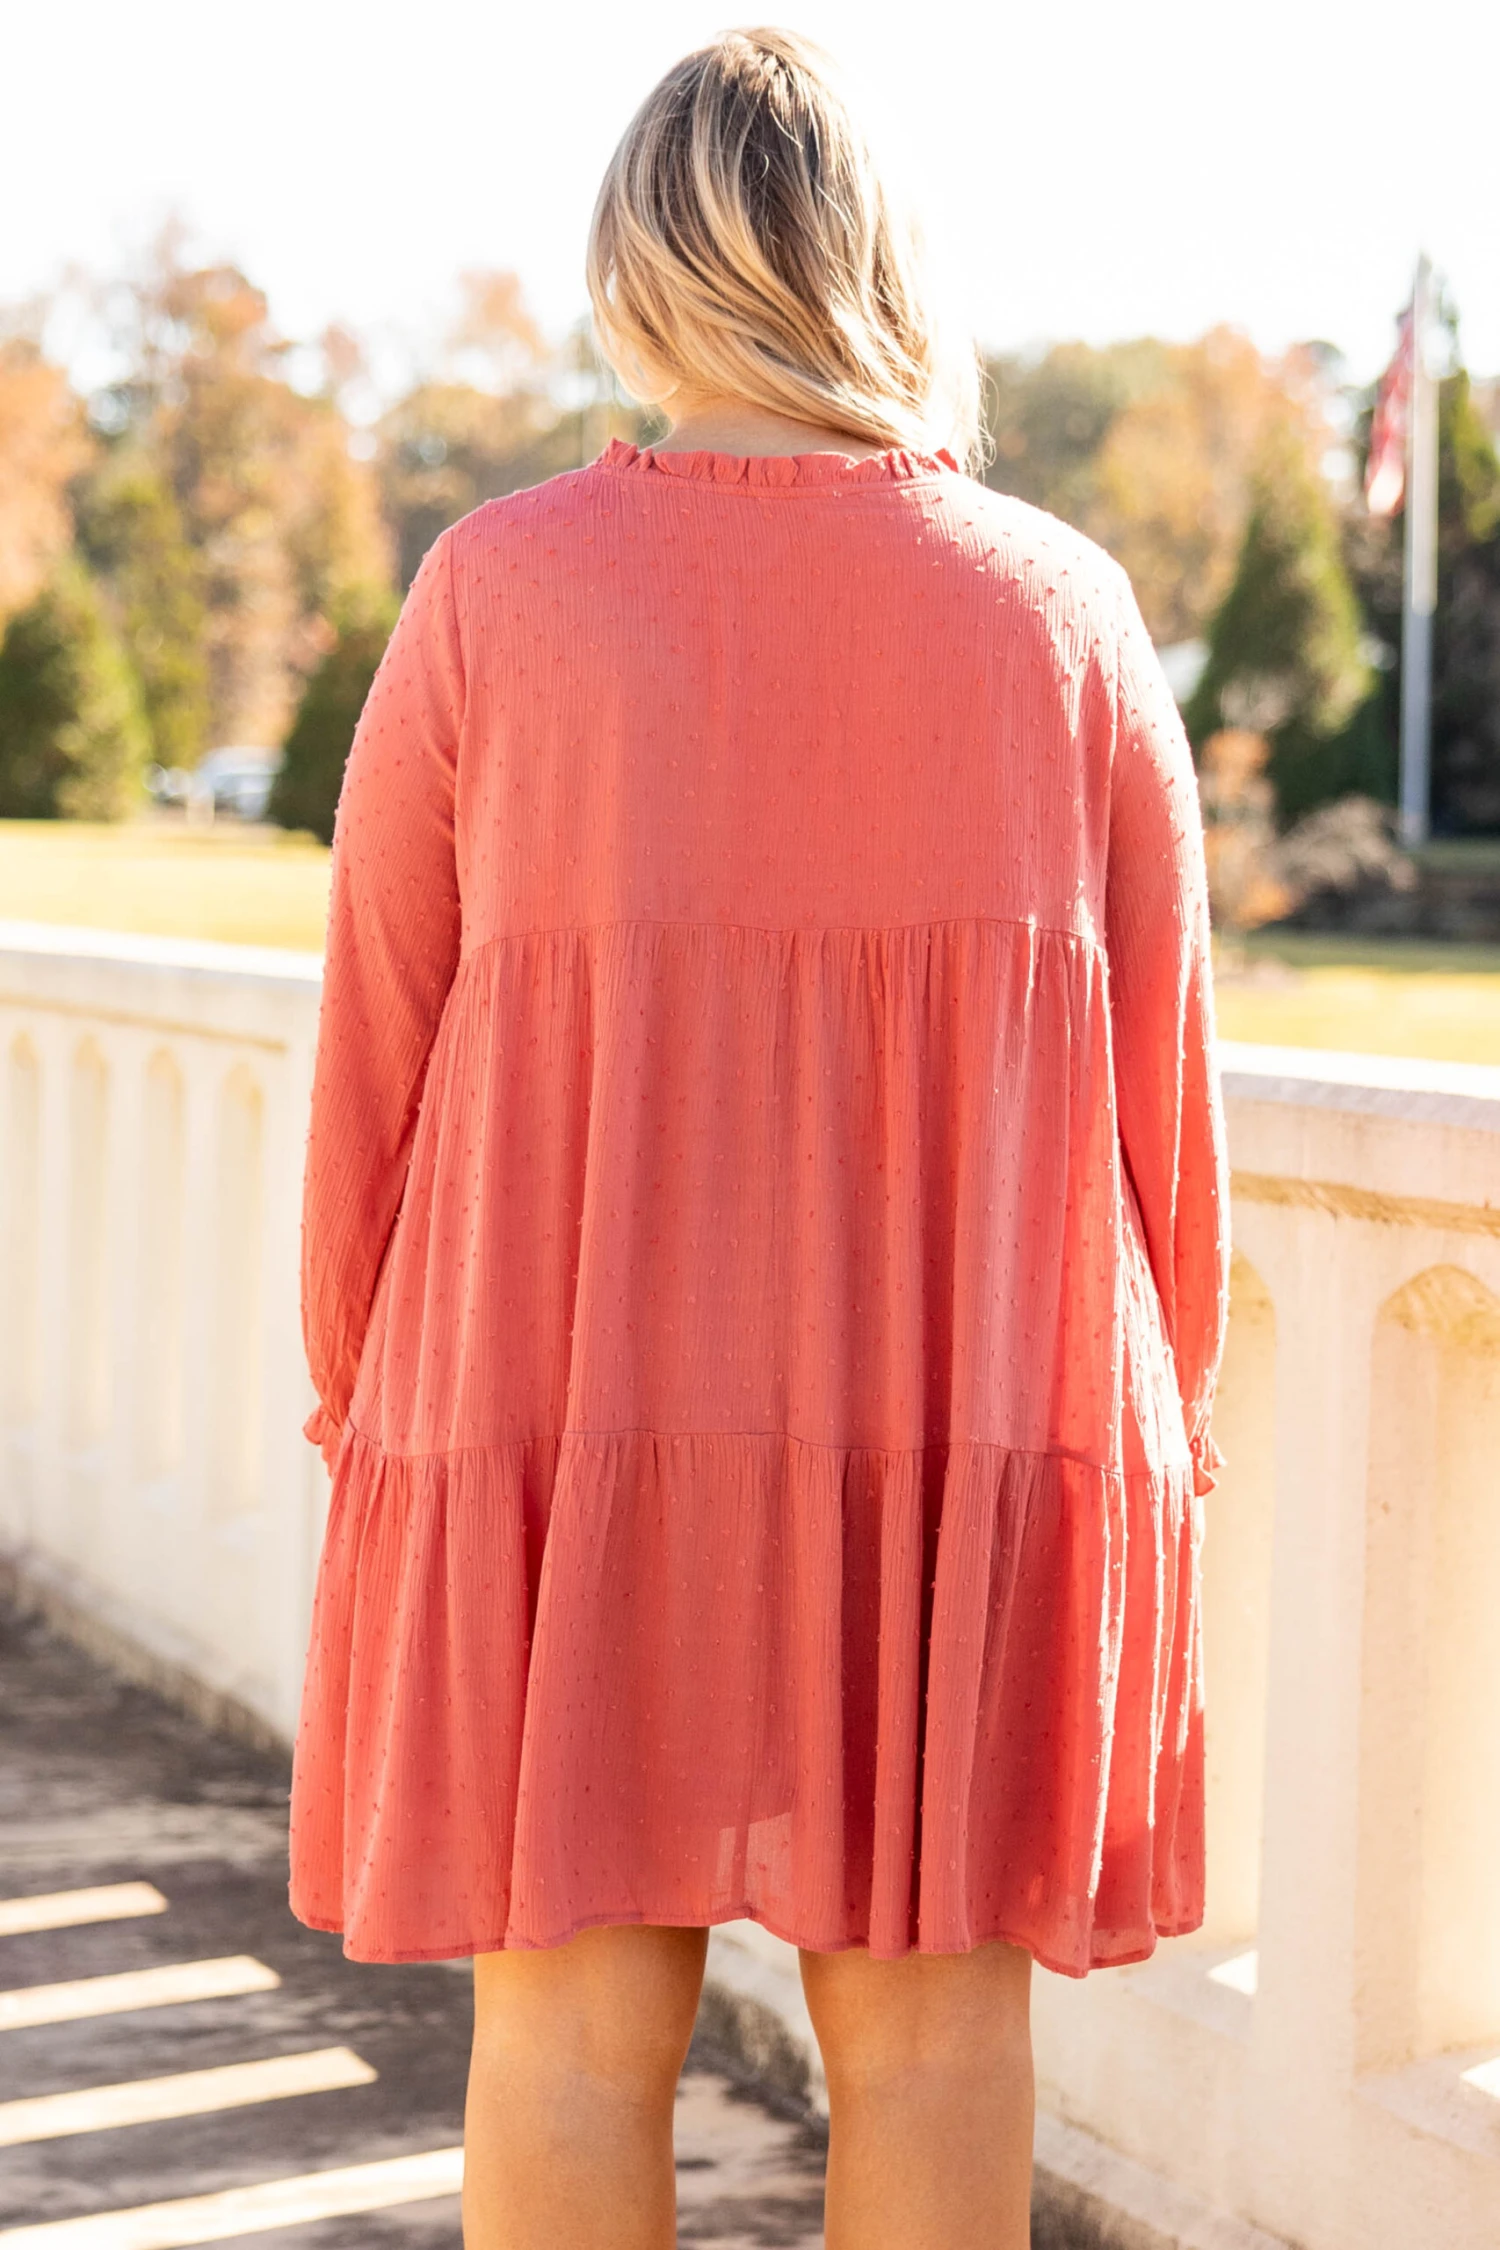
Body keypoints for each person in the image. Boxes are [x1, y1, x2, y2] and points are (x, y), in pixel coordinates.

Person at [287, 26, 1231, 2250]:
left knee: (565, 2036)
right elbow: (1164, 1102)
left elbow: (375, 1046)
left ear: (634, 267)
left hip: (560, 1400)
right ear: (885, 263)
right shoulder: (1064, 612)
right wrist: (1152, 1434)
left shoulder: (496, 590)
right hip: (964, 1421)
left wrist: (368, 1396)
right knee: (935, 2046)